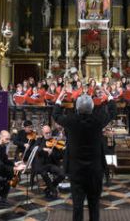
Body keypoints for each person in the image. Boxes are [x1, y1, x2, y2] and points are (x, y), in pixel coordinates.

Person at [53, 92, 117, 221]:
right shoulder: (98, 120)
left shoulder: (71, 120)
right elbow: (112, 112)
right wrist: (109, 96)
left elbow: (56, 115)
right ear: (92, 108)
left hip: (76, 171)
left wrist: (59, 100)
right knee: (94, 206)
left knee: (77, 206)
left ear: (76, 108)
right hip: (95, 171)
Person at [0, 130, 26, 204]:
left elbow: (6, 159)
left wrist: (15, 164)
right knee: (2, 179)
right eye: (7, 139)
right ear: (0, 138)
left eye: (9, 139)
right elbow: (0, 165)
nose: (8, 141)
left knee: (10, 175)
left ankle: (2, 199)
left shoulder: (2, 146)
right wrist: (14, 168)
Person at [33, 125, 65, 199]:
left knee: (62, 174)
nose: (48, 134)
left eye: (49, 132)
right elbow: (34, 148)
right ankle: (53, 190)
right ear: (42, 133)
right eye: (46, 133)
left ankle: (48, 188)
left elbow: (59, 156)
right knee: (44, 173)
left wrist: (62, 150)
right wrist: (45, 149)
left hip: (50, 165)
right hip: (41, 165)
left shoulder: (54, 141)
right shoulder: (39, 140)